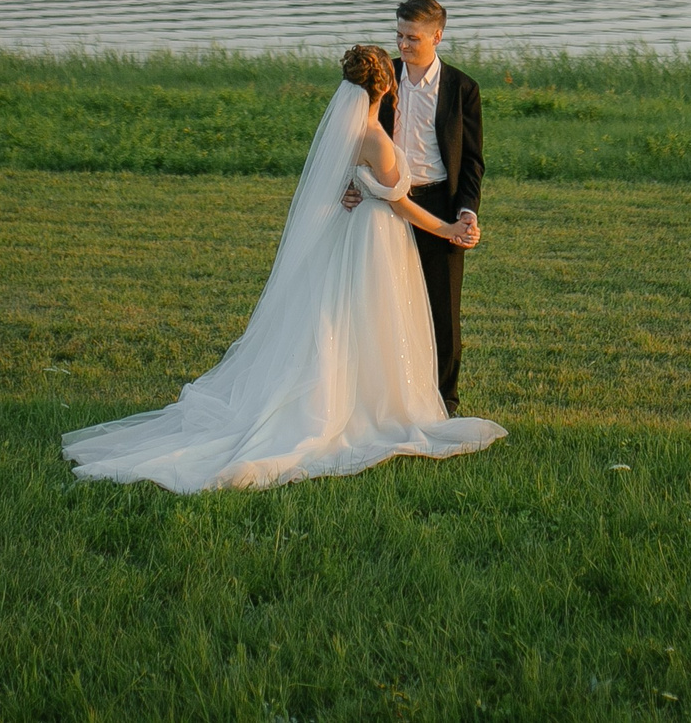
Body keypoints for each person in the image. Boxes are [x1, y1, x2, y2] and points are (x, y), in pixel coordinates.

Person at [60, 43, 504, 492]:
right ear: (385, 85)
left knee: (344, 319)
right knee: (372, 319)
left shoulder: (344, 132)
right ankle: (371, 405)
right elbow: (401, 205)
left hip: (352, 231)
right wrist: (448, 229)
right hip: (376, 236)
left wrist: (355, 191)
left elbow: (339, 182)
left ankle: (349, 395)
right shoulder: (374, 139)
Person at [342, 0, 481, 413]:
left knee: (443, 313)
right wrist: (352, 184)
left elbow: (473, 160)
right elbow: (353, 139)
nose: (402, 45)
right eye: (399, 35)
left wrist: (466, 212)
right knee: (387, 305)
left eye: (412, 37)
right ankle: (389, 398)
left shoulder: (462, 88)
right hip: (385, 205)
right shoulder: (382, 80)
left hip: (438, 201)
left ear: (437, 36)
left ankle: (444, 402)